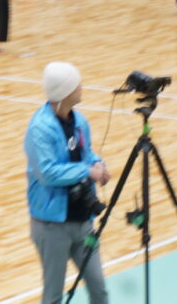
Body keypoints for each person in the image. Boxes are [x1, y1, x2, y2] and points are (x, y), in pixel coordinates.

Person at [24, 62, 110, 304]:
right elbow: (47, 173)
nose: (81, 87)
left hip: (83, 221)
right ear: (64, 92)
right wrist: (87, 171)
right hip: (53, 227)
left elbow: (87, 154)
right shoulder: (39, 129)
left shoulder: (79, 121)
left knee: (99, 289)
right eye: (76, 85)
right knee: (53, 296)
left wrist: (99, 165)